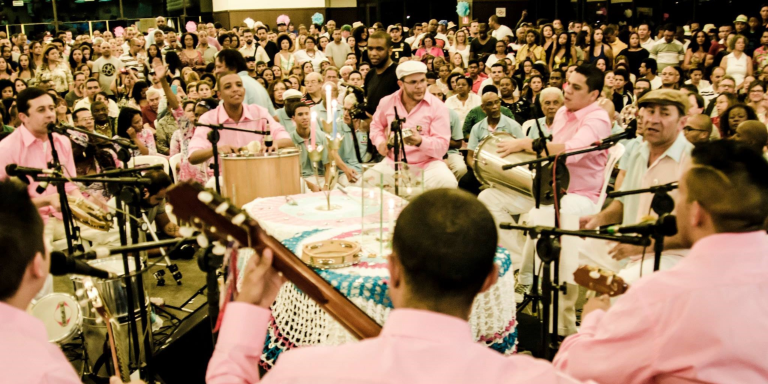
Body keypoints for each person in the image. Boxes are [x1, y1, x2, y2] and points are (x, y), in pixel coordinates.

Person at [206, 189, 583, 384]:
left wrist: (249, 311)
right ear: (489, 280)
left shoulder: (303, 371)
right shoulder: (536, 380)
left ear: (393, 272)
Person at [556, 139, 768, 384]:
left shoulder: (661, 297)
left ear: (696, 213)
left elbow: (577, 368)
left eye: (682, 197)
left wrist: (593, 320)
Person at [480, 65, 611, 329]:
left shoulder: (597, 119)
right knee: (488, 198)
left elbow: (572, 152)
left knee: (541, 214)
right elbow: (550, 153)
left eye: (576, 87)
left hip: (581, 195)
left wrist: (524, 144)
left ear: (594, 94)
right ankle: (519, 265)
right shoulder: (563, 112)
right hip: (548, 188)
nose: (567, 90)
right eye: (568, 83)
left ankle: (527, 281)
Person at [368, 61, 456, 190]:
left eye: (422, 81)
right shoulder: (387, 102)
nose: (419, 86)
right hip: (393, 163)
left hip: (428, 165)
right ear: (401, 84)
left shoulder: (438, 107)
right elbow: (376, 126)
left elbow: (442, 147)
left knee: (448, 183)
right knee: (366, 182)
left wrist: (420, 141)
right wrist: (380, 142)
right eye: (413, 82)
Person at [188, 72, 292, 167]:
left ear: (244, 91)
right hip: (223, 179)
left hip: (259, 174)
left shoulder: (259, 113)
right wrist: (216, 149)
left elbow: (287, 140)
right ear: (219, 95)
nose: (235, 89)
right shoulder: (208, 119)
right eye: (228, 87)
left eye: (239, 85)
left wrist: (276, 143)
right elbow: (193, 156)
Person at [467, 90, 525, 172]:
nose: (495, 106)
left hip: (507, 168)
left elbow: (523, 150)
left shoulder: (513, 126)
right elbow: (470, 156)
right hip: (484, 168)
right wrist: (478, 171)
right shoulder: (476, 128)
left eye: (496, 102)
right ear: (483, 108)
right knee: (464, 182)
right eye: (490, 104)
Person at [215, 49, 277, 115]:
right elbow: (275, 117)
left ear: (232, 67)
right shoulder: (257, 84)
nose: (216, 71)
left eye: (219, 67)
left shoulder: (237, 85)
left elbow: (235, 116)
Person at [287, 102, 331, 191]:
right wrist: (311, 186)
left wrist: (326, 185)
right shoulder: (289, 139)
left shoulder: (321, 136)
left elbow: (328, 165)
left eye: (307, 114)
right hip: (301, 180)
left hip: (321, 177)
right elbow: (290, 172)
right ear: (293, 119)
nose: (305, 117)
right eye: (300, 114)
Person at [364, 31, 399, 115]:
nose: (373, 53)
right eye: (370, 49)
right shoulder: (370, 74)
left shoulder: (398, 74)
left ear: (390, 51)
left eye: (379, 49)